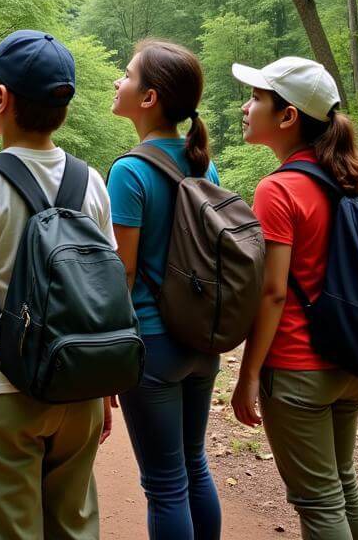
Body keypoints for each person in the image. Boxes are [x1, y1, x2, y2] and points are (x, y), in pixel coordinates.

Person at [0, 30, 115, 540]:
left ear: (2, 99)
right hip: (76, 387)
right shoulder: (91, 181)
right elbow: (102, 295)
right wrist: (101, 391)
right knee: (74, 527)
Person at [230, 57, 358, 540]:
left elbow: (272, 293)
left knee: (318, 503)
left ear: (288, 116)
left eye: (256, 99)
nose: (246, 108)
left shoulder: (278, 189)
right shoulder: (345, 178)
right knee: (343, 485)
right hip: (350, 360)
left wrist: (249, 375)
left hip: (296, 369)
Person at [107, 39, 222, 540]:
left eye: (127, 75)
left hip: (152, 345)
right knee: (194, 465)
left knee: (165, 485)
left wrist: (109, 353)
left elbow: (123, 274)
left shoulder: (130, 171)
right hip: (201, 338)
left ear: (150, 98)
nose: (118, 81)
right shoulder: (204, 165)